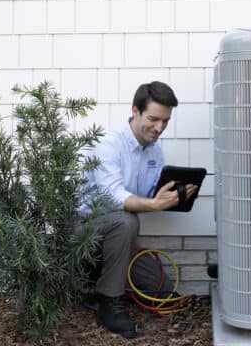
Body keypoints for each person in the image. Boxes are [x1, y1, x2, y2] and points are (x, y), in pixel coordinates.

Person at [81, 81, 198, 339]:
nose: (159, 128)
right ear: (135, 111)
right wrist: (155, 204)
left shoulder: (154, 150)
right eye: (154, 119)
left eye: (165, 121)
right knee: (126, 221)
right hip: (82, 232)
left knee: (162, 291)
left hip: (116, 240)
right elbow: (115, 197)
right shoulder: (109, 144)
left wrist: (173, 196)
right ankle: (109, 303)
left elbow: (146, 197)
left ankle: (99, 273)